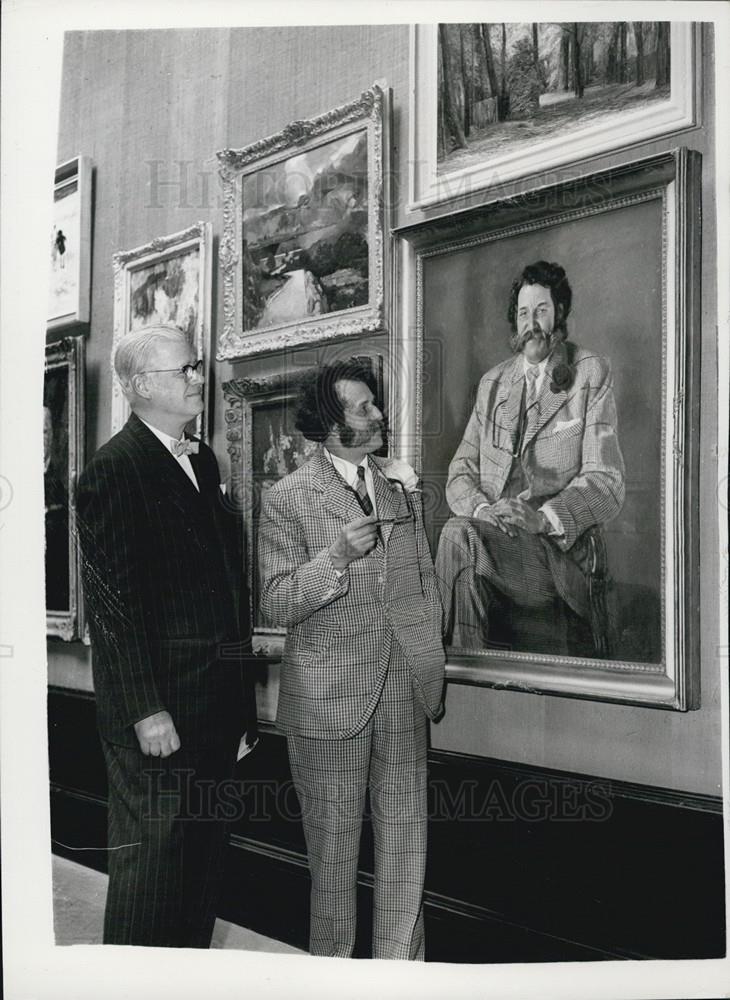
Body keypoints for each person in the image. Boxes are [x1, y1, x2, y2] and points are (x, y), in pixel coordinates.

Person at [257, 361, 445, 960]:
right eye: (363, 408)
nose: (379, 415)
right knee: (333, 864)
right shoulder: (287, 496)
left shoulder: (398, 487)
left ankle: (402, 979)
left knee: (405, 852)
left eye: (374, 404)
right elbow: (278, 599)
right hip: (327, 704)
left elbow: (421, 580)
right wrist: (334, 558)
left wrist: (426, 653)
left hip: (403, 693)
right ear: (329, 424)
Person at [75, 325, 255, 947]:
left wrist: (240, 706)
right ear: (140, 387)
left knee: (201, 866)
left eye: (195, 366)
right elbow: (113, 609)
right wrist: (147, 710)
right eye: (185, 370)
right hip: (157, 714)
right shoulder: (111, 473)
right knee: (151, 869)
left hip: (213, 707)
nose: (198, 378)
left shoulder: (201, 459)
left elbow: (227, 586)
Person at [435, 260, 625, 655]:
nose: (531, 322)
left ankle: (438, 663)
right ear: (514, 321)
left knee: (457, 535)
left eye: (541, 310)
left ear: (559, 313)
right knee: (463, 539)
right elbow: (460, 472)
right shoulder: (493, 383)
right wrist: (483, 509)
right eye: (523, 313)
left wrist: (543, 518)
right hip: (490, 536)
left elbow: (606, 481)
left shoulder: (589, 373)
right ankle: (463, 667)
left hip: (552, 552)